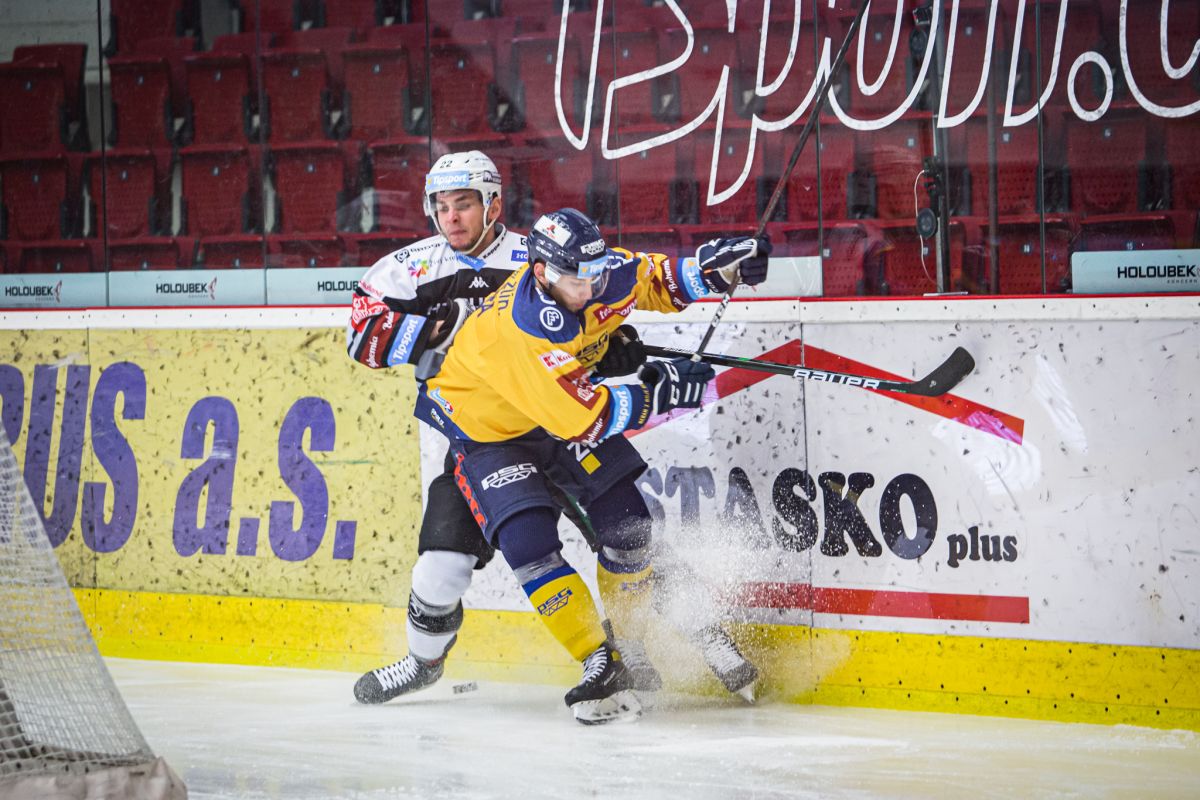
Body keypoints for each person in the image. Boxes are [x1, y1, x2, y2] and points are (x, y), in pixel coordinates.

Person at [413, 207, 771, 723]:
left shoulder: (595, 272)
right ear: (541, 272)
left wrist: (717, 270)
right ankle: (599, 659)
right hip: (490, 432)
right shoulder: (521, 330)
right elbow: (587, 418)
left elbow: (657, 280)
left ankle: (631, 643)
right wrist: (661, 392)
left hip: (556, 414)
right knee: (528, 543)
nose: (589, 289)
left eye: (595, 276)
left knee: (630, 526)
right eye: (576, 282)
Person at [346, 152, 651, 707]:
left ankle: (640, 644)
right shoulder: (413, 267)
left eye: (463, 204)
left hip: (558, 427)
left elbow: (591, 312)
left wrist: (608, 348)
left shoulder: (537, 255)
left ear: (492, 204)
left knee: (627, 526)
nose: (451, 217)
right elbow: (361, 335)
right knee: (440, 569)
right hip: (480, 436)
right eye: (441, 206)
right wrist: (441, 334)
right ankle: (422, 663)